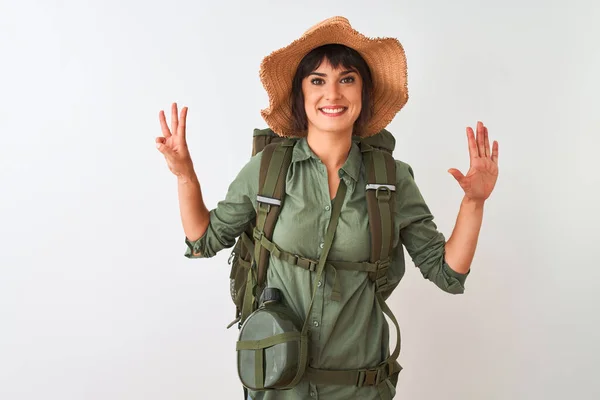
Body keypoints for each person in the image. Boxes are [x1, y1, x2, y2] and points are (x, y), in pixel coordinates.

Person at [155, 16, 499, 400]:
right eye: (317, 80)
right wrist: (185, 175)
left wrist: (474, 202)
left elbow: (447, 273)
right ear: (301, 95)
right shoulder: (269, 170)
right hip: (277, 389)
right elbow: (203, 240)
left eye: (347, 79)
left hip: (360, 391)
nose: (332, 93)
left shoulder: (392, 178)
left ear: (363, 94)